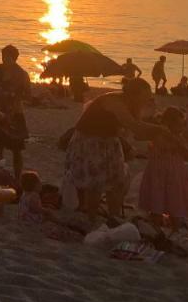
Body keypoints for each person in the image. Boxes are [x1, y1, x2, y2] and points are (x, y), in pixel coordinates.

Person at [64, 78, 174, 217]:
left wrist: (160, 136)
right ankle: (90, 216)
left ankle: (113, 216)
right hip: (90, 141)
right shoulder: (114, 101)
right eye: (144, 96)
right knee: (95, 182)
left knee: (117, 181)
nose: (146, 100)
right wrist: (161, 129)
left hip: (110, 141)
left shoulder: (134, 105)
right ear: (134, 94)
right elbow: (133, 125)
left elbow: (138, 133)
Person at [138, 106, 188, 230]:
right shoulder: (159, 136)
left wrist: (181, 143)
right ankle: (156, 228)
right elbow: (157, 145)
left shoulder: (179, 137)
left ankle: (175, 228)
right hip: (159, 174)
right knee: (156, 204)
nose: (181, 128)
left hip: (174, 174)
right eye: (178, 125)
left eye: (183, 125)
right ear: (168, 123)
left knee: (175, 203)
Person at [0, 44, 31, 184]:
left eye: (8, 57)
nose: (5, 59)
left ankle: (17, 178)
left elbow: (28, 95)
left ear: (14, 58)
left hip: (15, 113)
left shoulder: (22, 74)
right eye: (3, 56)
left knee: (17, 148)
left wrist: (14, 95)